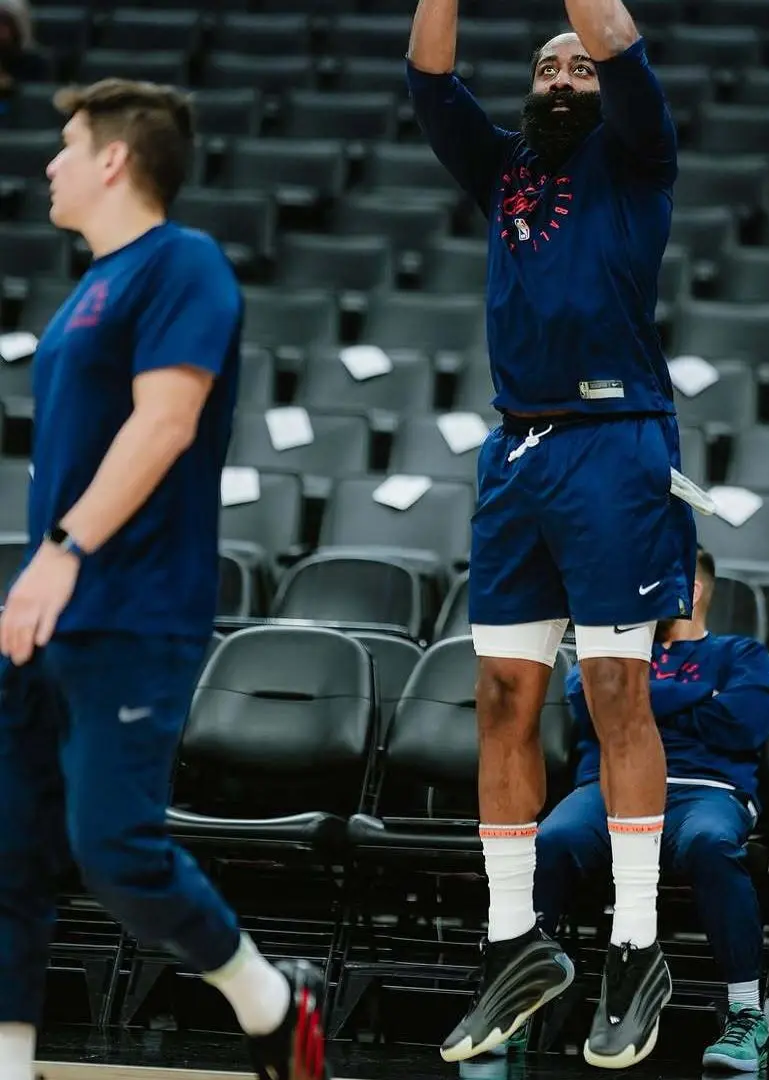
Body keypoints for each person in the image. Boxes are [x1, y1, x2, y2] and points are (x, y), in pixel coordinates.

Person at [0, 79, 327, 1080]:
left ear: (112, 159)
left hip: (133, 610)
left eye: (66, 144)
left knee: (116, 851)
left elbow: (166, 422)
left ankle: (272, 1002)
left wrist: (62, 552)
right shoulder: (84, 291)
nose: (49, 163)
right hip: (48, 616)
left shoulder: (183, 264)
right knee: (7, 853)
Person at [406, 0, 697, 1067]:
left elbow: (615, 38)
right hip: (516, 450)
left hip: (616, 442)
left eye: (578, 68)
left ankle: (636, 947)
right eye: (547, 68)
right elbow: (430, 80)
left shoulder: (637, 153)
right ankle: (513, 943)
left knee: (616, 693)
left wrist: (595, 44)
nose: (564, 78)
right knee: (500, 700)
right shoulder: (504, 170)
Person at [534, 546, 769, 1072]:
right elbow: (586, 703)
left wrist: (638, 701)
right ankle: (519, 998)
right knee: (552, 838)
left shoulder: (742, 654)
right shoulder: (615, 650)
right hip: (613, 787)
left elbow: (741, 725)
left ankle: (746, 1014)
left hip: (704, 789)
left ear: (690, 591)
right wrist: (696, 695)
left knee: (711, 844)